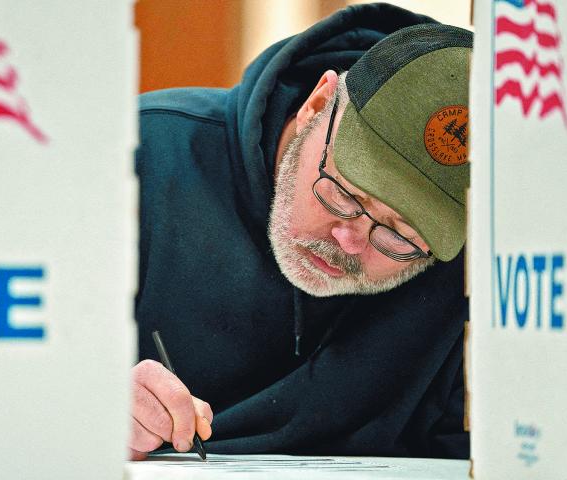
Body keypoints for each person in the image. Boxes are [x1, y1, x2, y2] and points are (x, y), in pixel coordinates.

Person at [130, 3, 472, 461]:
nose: (348, 242)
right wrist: (82, 399)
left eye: (401, 235)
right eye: (345, 195)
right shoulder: (138, 161)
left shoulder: (474, 272)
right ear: (315, 105)